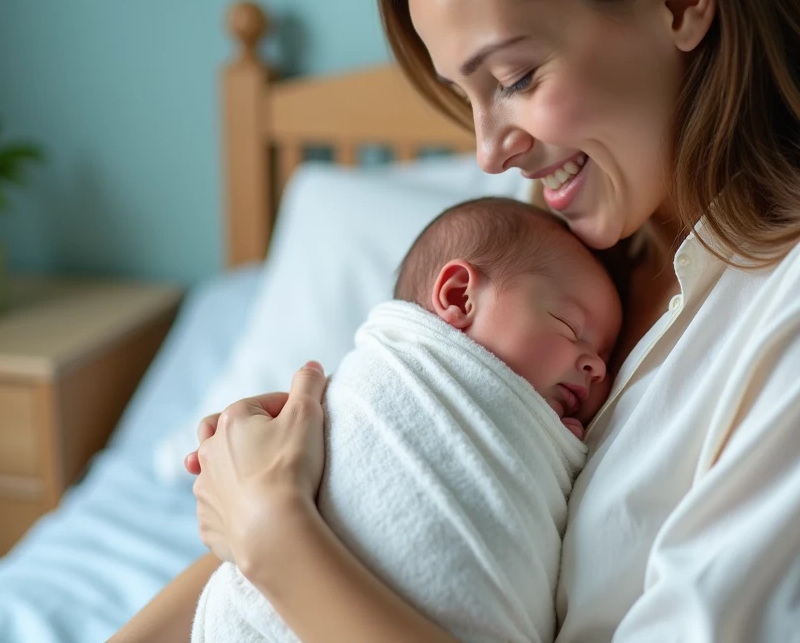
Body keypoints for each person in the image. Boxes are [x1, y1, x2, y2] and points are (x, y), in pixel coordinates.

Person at [115, 0, 800, 640]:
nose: (488, 148)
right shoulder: (567, 264)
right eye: (467, 97)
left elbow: (273, 549)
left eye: (515, 77)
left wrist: (278, 539)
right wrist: (328, 468)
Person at [190, 197, 621, 642]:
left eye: (607, 356)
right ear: (458, 297)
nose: (598, 368)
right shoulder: (391, 372)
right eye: (570, 326)